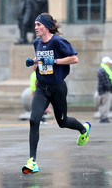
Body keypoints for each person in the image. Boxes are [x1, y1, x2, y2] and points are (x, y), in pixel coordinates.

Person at [22, 12, 91, 174]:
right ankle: (32, 161)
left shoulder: (59, 42)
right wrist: (33, 62)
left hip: (57, 88)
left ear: (46, 26)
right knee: (34, 119)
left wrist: (53, 61)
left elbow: (74, 59)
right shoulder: (36, 42)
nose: (35, 28)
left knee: (62, 121)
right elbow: (40, 57)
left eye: (38, 25)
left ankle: (83, 129)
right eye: (35, 25)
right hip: (42, 87)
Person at [97, 56, 112, 123]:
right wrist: (109, 88)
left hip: (102, 90)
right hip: (105, 90)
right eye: (109, 62)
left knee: (102, 104)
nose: (109, 64)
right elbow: (106, 81)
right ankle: (104, 118)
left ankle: (103, 117)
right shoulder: (103, 70)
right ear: (106, 63)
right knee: (105, 104)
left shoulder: (102, 69)